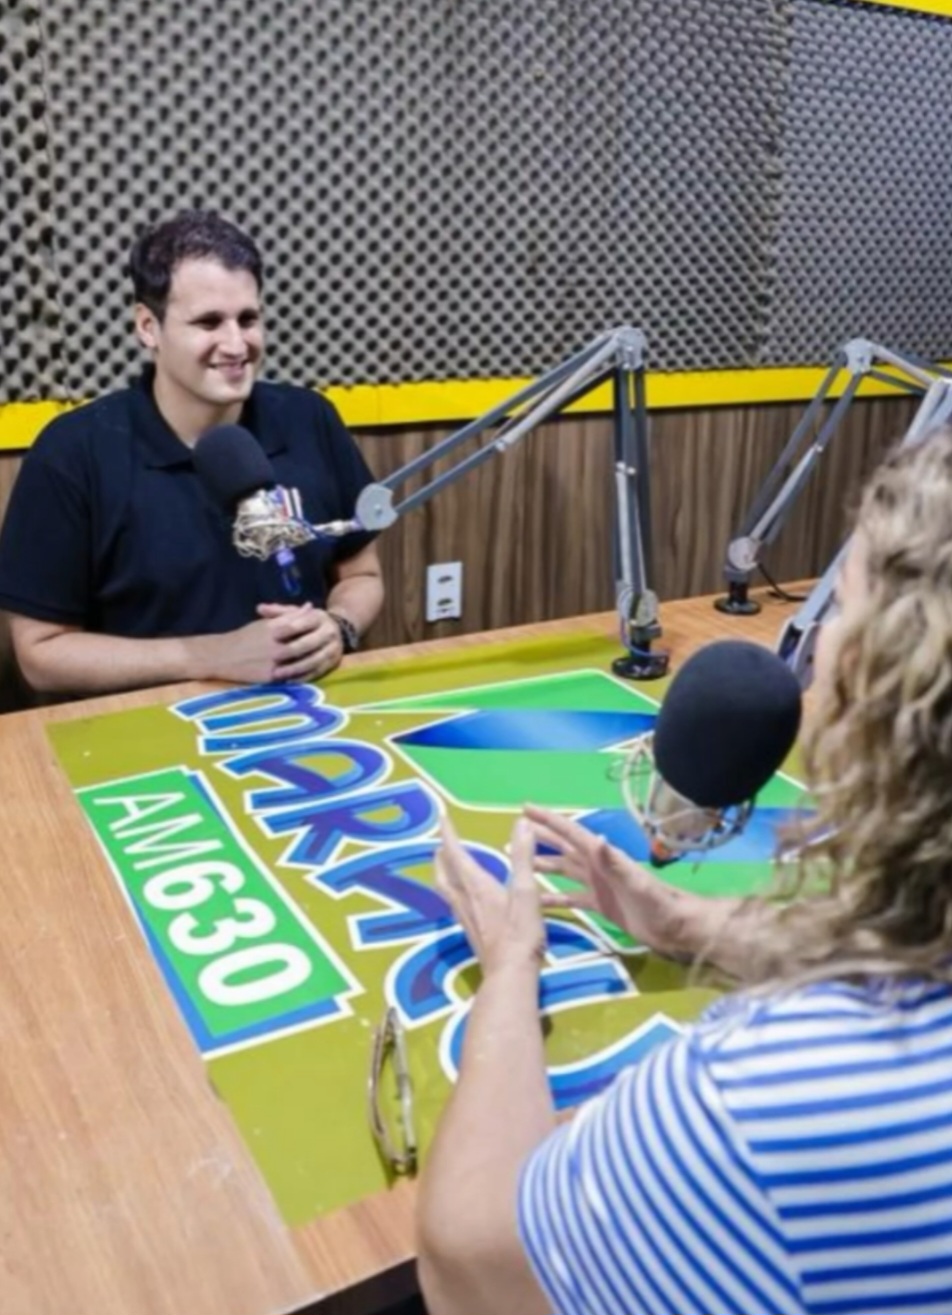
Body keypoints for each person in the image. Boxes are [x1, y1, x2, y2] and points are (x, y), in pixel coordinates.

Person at [418, 427, 952, 1315]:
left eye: (841, 617)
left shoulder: (763, 1098)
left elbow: (469, 1265)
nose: (814, 662)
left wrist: (512, 964)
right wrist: (684, 924)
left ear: (888, 686)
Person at [0, 210, 383, 696]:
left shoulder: (311, 419)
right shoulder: (73, 453)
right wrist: (212, 656)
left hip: (307, 711)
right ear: (147, 327)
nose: (235, 343)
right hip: (145, 732)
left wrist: (340, 625)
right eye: (208, 322)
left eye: (248, 318)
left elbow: (362, 572)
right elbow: (40, 654)